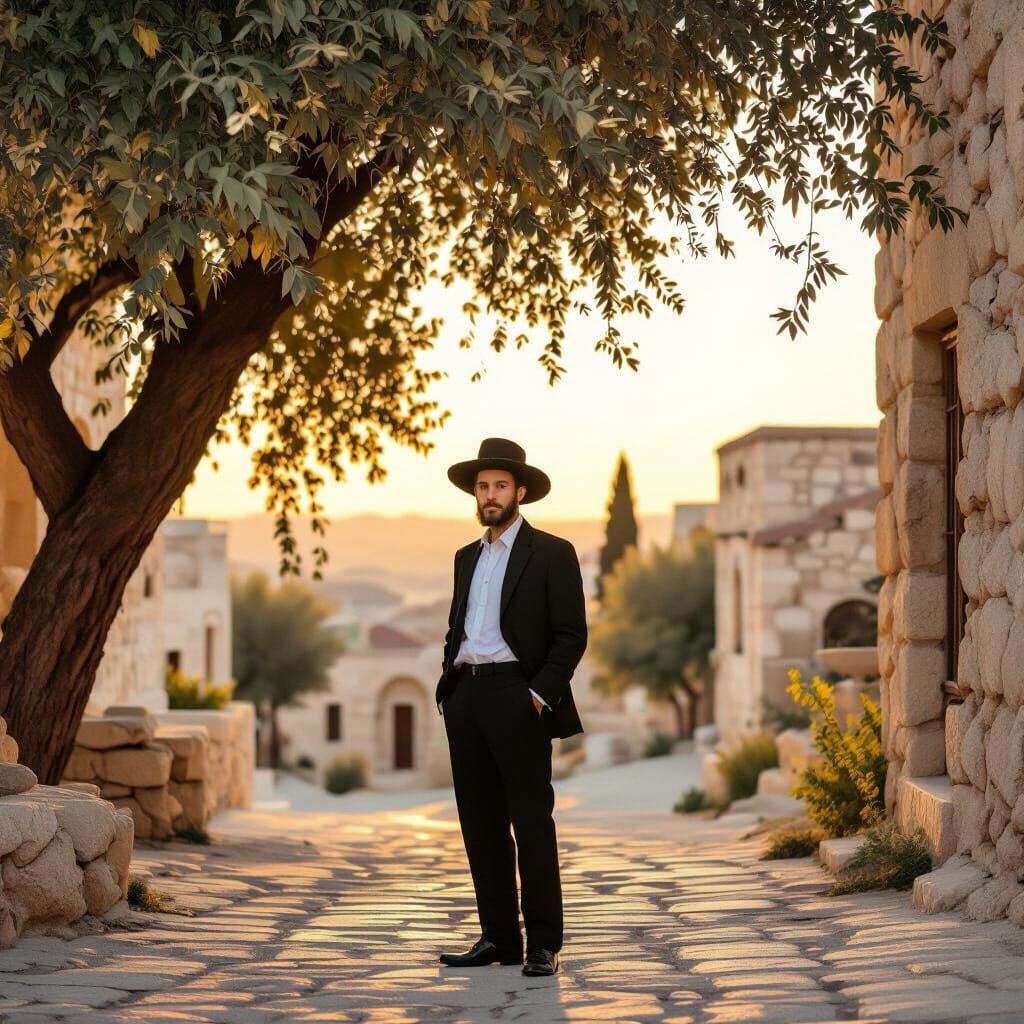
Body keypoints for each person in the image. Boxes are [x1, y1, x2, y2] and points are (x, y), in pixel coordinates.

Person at [435, 437, 587, 977]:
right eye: (482, 487)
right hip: (467, 695)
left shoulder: (552, 552)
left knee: (531, 821)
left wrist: (538, 694)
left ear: (520, 491)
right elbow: (461, 627)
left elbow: (571, 635)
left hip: (517, 697)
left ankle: (544, 942)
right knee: (479, 824)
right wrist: (447, 683)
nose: (490, 494)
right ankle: (499, 937)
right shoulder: (465, 558)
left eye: (500, 485)